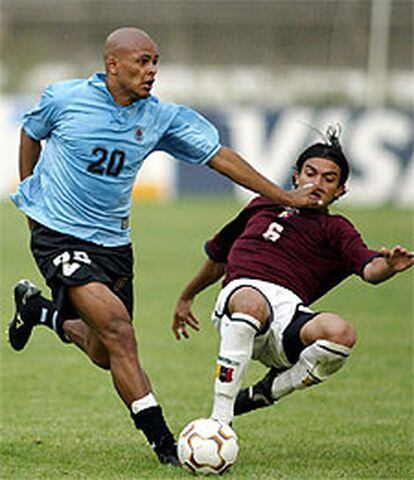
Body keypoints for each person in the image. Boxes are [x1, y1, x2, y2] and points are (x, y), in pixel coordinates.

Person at [7, 27, 321, 465]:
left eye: (155, 61)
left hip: (113, 243)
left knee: (103, 352)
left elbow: (220, 157)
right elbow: (30, 131)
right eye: (142, 61)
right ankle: (165, 445)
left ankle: (40, 311)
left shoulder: (161, 117)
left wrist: (283, 196)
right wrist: (30, 196)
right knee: (119, 331)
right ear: (112, 64)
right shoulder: (65, 98)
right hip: (58, 234)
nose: (151, 71)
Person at [172, 126, 414, 427]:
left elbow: (369, 269)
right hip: (241, 298)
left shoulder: (337, 229)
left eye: (329, 179)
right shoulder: (263, 204)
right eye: (310, 173)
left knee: (342, 333)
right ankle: (221, 421)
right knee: (250, 302)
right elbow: (219, 256)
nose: (317, 183)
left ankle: (269, 390)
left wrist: (389, 266)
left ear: (341, 191)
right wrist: (187, 295)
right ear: (296, 176)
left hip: (288, 315)